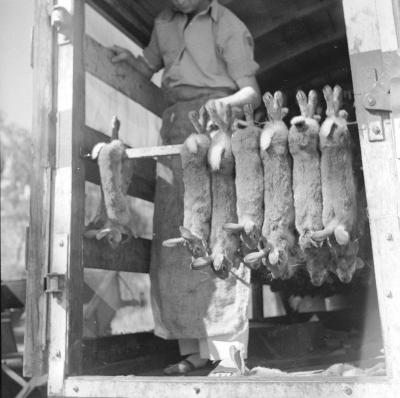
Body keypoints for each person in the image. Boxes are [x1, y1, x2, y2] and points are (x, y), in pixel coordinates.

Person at [111, 0, 260, 376]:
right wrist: (130, 60)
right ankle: (194, 350)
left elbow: (250, 92)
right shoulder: (163, 23)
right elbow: (148, 65)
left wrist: (216, 106)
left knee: (221, 236)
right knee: (179, 238)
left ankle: (228, 354)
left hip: (217, 128)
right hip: (176, 130)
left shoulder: (226, 22)